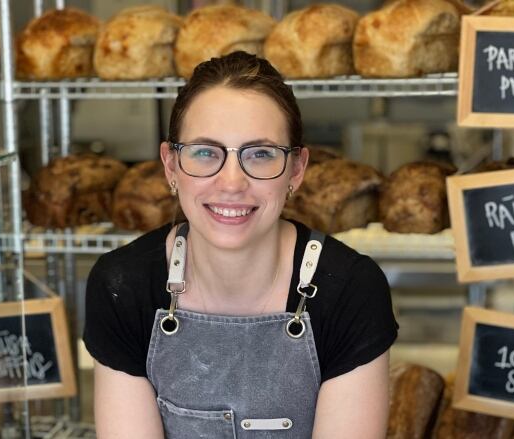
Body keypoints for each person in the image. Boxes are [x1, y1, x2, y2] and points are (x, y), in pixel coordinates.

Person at [84, 51, 398, 438]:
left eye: (261, 154)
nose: (231, 183)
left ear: (296, 170)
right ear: (170, 166)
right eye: (204, 152)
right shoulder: (122, 286)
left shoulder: (351, 290)